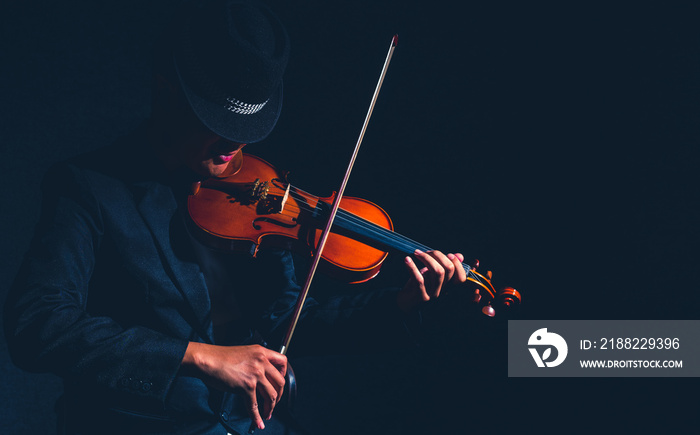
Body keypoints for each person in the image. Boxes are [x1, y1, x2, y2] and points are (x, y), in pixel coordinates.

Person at [4, 1, 468, 434]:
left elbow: (284, 318)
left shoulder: (260, 189)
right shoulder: (88, 187)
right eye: (219, 124)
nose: (235, 146)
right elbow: (39, 324)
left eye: (246, 129)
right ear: (168, 91)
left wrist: (401, 304)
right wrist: (199, 357)